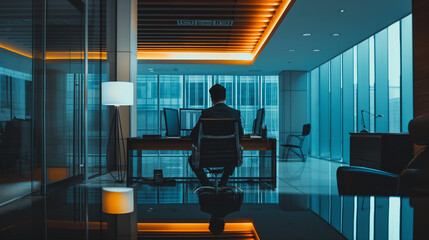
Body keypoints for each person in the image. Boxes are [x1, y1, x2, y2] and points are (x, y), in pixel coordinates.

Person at [188, 84, 244, 186]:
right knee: (234, 153)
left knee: (191, 158)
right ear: (225, 97)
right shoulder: (235, 113)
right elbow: (240, 136)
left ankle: (206, 184)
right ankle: (223, 183)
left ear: (211, 98)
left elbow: (193, 135)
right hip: (229, 156)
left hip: (206, 156)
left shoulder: (206, 113)